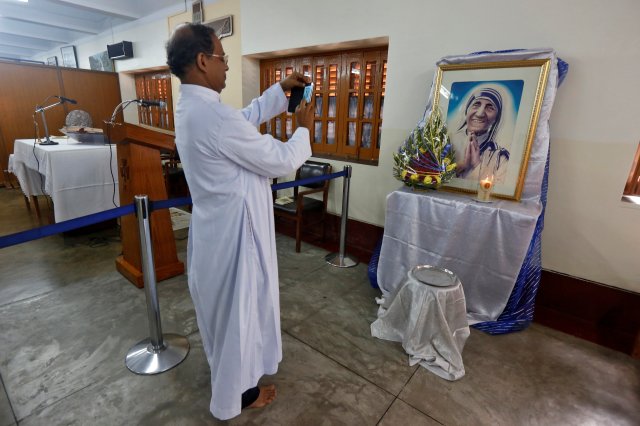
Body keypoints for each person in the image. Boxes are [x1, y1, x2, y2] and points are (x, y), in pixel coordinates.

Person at [166, 23, 314, 420]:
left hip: (217, 232)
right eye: (222, 58)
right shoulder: (213, 116)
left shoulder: (193, 107)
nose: (227, 66)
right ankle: (237, 398)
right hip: (236, 239)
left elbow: (243, 120)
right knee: (238, 320)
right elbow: (282, 159)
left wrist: (279, 91)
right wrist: (303, 126)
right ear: (201, 61)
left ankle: (238, 386)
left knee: (228, 318)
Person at [452, 87, 510, 182]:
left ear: (496, 119)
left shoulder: (500, 156)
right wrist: (463, 165)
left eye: (490, 107)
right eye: (476, 104)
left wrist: (477, 164)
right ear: (467, 111)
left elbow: (500, 191)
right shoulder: (447, 142)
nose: (480, 114)